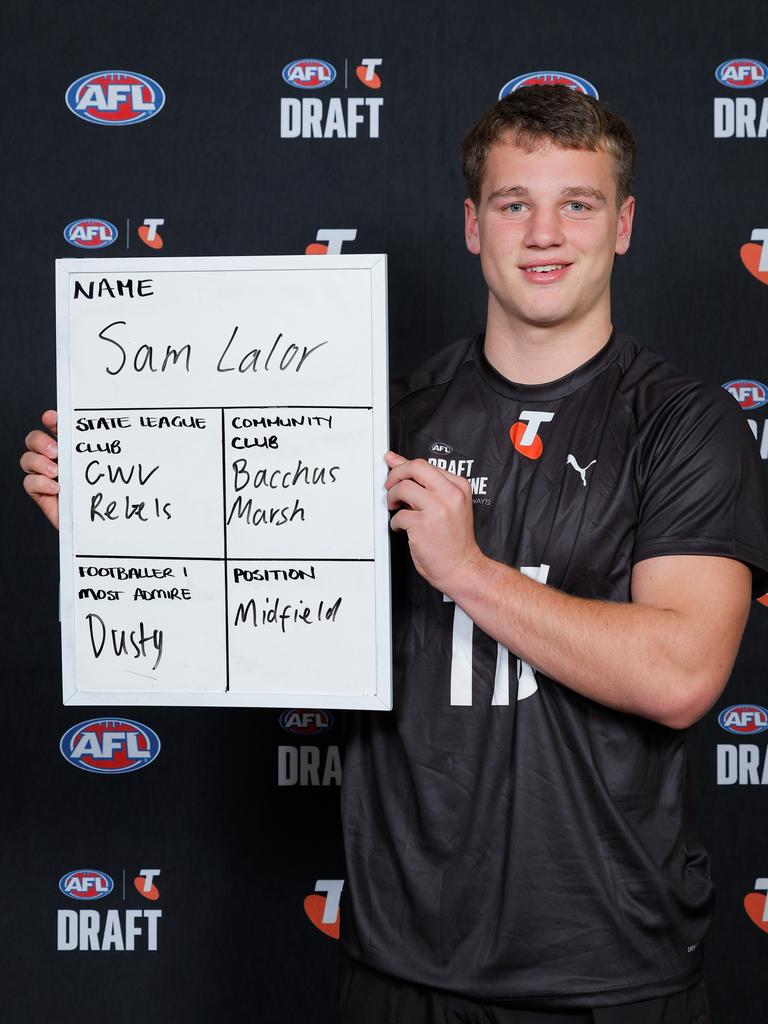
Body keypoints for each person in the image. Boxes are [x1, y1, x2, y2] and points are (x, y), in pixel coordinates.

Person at [21, 86, 768, 1024]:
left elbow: (683, 673)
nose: (544, 232)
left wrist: (467, 571)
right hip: (400, 968)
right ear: (470, 226)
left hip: (611, 972)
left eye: (576, 203)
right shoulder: (382, 421)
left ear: (623, 226)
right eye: (512, 204)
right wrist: (126, 532)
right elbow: (271, 622)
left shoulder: (685, 425)